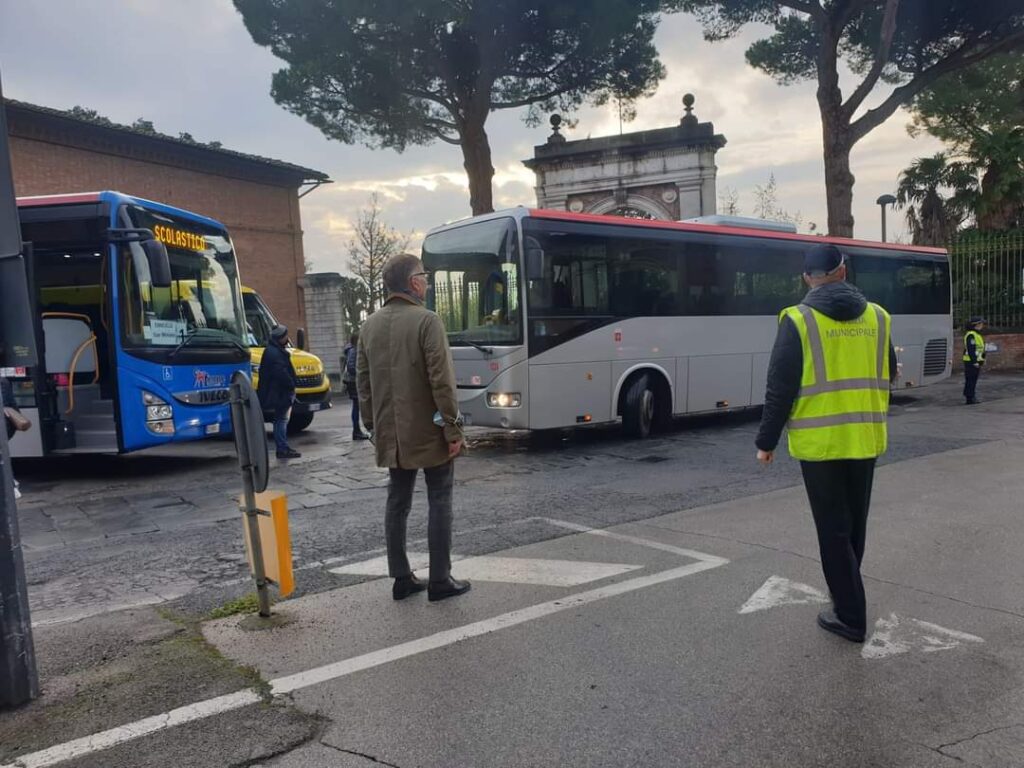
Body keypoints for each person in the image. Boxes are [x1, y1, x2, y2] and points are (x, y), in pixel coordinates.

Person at [755, 244, 897, 643]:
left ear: (807, 278)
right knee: (854, 526)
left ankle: (850, 616)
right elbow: (890, 371)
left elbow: (780, 386)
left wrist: (766, 441)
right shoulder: (879, 317)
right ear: (843, 271)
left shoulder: (797, 320)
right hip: (866, 437)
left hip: (821, 444)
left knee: (832, 531)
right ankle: (844, 592)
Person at [357, 253, 470, 603]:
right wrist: (453, 429)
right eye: (424, 275)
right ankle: (440, 579)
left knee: (397, 500)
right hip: (428, 430)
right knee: (440, 498)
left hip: (391, 433)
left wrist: (373, 424)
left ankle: (401, 576)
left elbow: (362, 382)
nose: (427, 282)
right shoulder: (427, 321)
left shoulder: (369, 325)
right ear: (413, 282)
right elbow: (442, 382)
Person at [259, 324, 300, 459]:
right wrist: (291, 384)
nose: (287, 339)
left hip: (277, 392)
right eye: (286, 336)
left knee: (279, 420)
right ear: (281, 338)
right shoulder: (275, 353)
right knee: (281, 420)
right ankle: (282, 448)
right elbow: (281, 373)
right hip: (280, 393)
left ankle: (282, 447)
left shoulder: (271, 350)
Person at [342, 334, 368, 440]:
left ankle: (356, 430)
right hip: (353, 381)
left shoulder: (350, 349)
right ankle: (356, 431)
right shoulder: (354, 350)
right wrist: (359, 374)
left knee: (356, 405)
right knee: (356, 406)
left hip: (350, 381)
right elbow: (351, 366)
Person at [2, 376, 25, 499]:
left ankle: (11, 487)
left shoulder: (2, 383)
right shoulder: (4, 381)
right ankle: (11, 484)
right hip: (6, 428)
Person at [963, 317, 986, 405]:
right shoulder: (971, 335)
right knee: (971, 380)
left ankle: (971, 396)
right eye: (981, 324)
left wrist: (982, 359)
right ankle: (970, 398)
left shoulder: (976, 334)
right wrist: (974, 362)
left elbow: (980, 349)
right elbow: (971, 349)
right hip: (971, 361)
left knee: (973, 380)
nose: (982, 326)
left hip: (976, 361)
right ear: (976, 325)